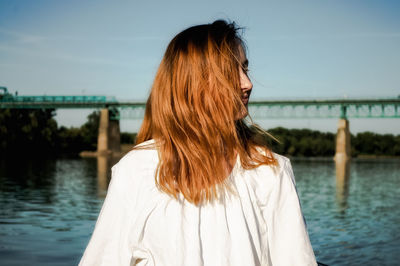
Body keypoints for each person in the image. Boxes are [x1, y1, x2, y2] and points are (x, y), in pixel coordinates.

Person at [79, 20, 317, 266]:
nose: (247, 83)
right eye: (231, 71)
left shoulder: (271, 171)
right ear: (193, 82)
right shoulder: (137, 170)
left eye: (245, 69)